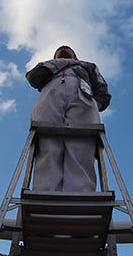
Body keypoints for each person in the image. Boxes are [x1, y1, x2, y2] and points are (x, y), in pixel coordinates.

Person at [25, 45, 111, 192]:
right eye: (58, 51)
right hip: (51, 94)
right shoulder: (46, 67)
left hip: (83, 95)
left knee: (82, 144)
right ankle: (45, 191)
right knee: (47, 141)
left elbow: (102, 90)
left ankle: (81, 192)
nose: (63, 48)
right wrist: (60, 62)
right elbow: (33, 78)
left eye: (68, 49)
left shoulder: (89, 66)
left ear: (76, 57)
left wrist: (92, 105)